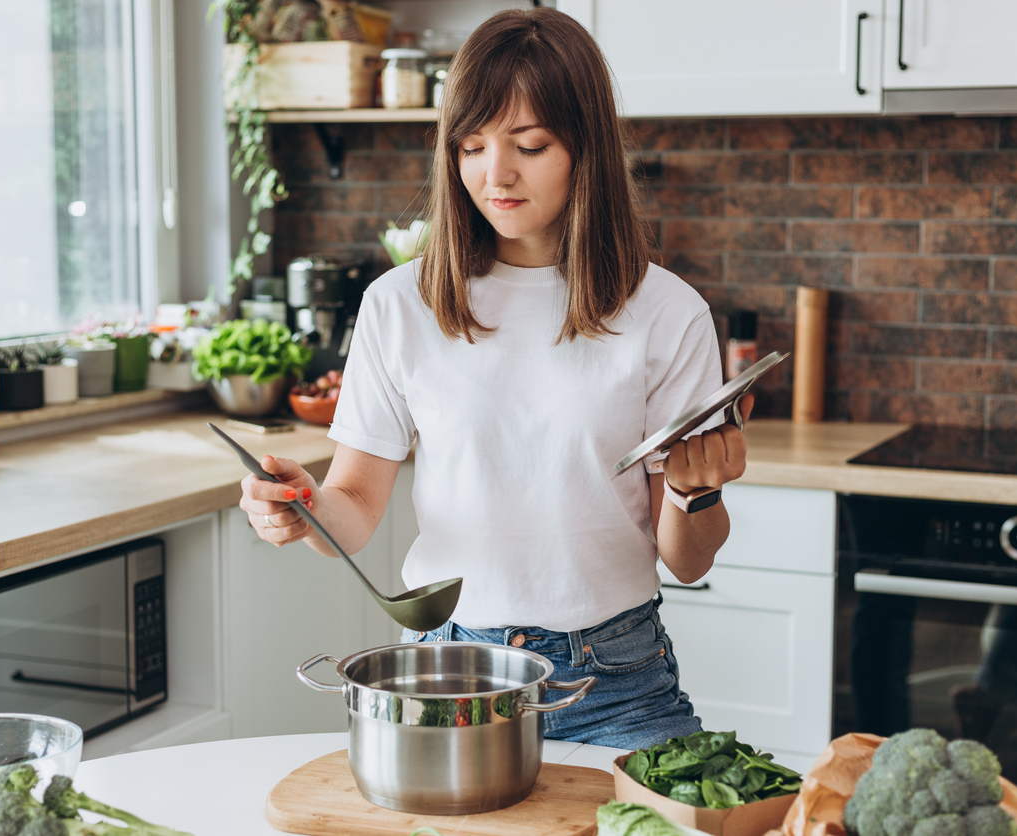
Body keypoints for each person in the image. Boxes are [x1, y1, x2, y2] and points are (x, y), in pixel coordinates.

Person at [239, 7, 754, 750]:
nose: (495, 174)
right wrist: (302, 507)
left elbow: (688, 555)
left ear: (586, 148)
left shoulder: (666, 311)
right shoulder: (400, 304)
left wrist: (694, 488)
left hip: (615, 680)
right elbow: (352, 504)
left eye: (530, 145)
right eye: (471, 146)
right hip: (449, 674)